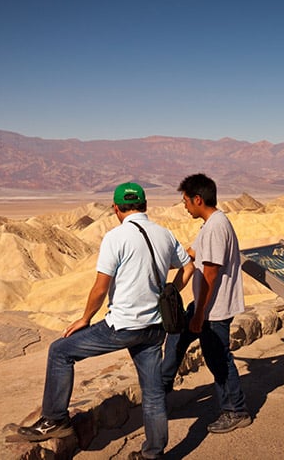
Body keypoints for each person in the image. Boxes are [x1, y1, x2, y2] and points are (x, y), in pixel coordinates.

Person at [17, 183, 193, 460]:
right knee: (153, 393)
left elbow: (100, 287)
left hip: (122, 326)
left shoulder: (116, 237)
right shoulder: (164, 234)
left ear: (116, 208)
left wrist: (84, 318)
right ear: (145, 205)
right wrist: (171, 293)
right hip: (155, 328)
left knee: (60, 351)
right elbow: (188, 266)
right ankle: (154, 454)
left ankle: (55, 420)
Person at [161, 173, 252, 434]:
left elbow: (210, 274)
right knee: (176, 341)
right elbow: (190, 258)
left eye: (186, 201)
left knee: (218, 359)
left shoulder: (215, 228)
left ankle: (236, 410)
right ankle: (160, 394)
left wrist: (199, 314)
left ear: (198, 199)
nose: (184, 206)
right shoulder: (210, 225)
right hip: (204, 306)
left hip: (213, 309)